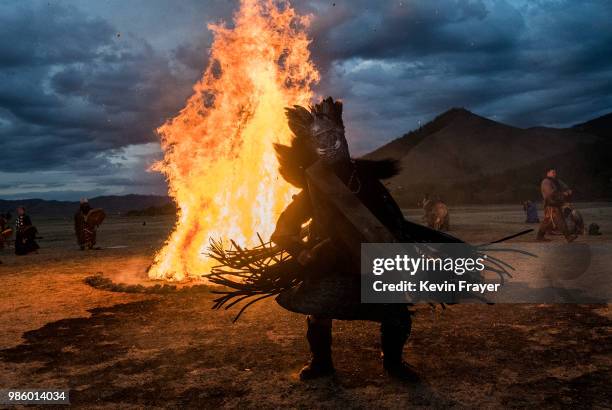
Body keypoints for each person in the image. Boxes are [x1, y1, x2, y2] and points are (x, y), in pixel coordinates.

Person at [207, 97, 502, 381]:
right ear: (311, 147)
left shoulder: (367, 182)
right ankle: (321, 362)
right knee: (319, 311)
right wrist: (302, 252)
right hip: (331, 261)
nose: (329, 144)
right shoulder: (315, 188)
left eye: (334, 136)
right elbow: (284, 229)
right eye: (320, 141)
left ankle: (394, 362)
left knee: (396, 313)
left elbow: (394, 222)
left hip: (375, 259)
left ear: (344, 137)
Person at [536, 168, 577, 242]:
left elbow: (564, 187)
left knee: (547, 222)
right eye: (553, 172)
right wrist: (563, 194)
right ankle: (568, 237)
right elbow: (550, 194)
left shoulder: (555, 181)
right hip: (551, 205)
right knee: (560, 220)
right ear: (547, 173)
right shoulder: (546, 182)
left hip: (555, 204)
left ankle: (539, 236)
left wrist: (567, 190)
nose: (554, 174)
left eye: (555, 172)